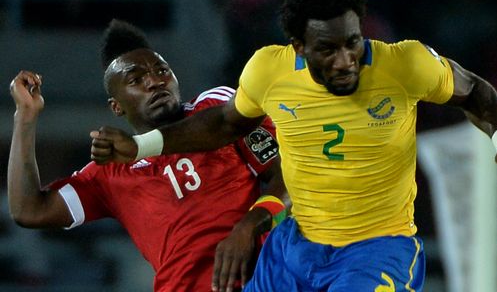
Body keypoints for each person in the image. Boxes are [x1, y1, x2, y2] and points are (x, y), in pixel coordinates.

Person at [89, 0, 497, 292]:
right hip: (294, 247)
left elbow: (475, 92)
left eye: (353, 42)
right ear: (299, 47)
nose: (346, 60)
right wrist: (140, 147)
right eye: (327, 50)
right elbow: (223, 124)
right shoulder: (269, 70)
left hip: (375, 250)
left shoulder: (404, 64)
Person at [8, 19, 289, 292]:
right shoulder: (110, 172)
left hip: (265, 281)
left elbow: (289, 176)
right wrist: (26, 117)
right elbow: (30, 210)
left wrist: (249, 226)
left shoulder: (217, 110)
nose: (155, 82)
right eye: (136, 79)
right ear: (116, 107)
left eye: (162, 70)